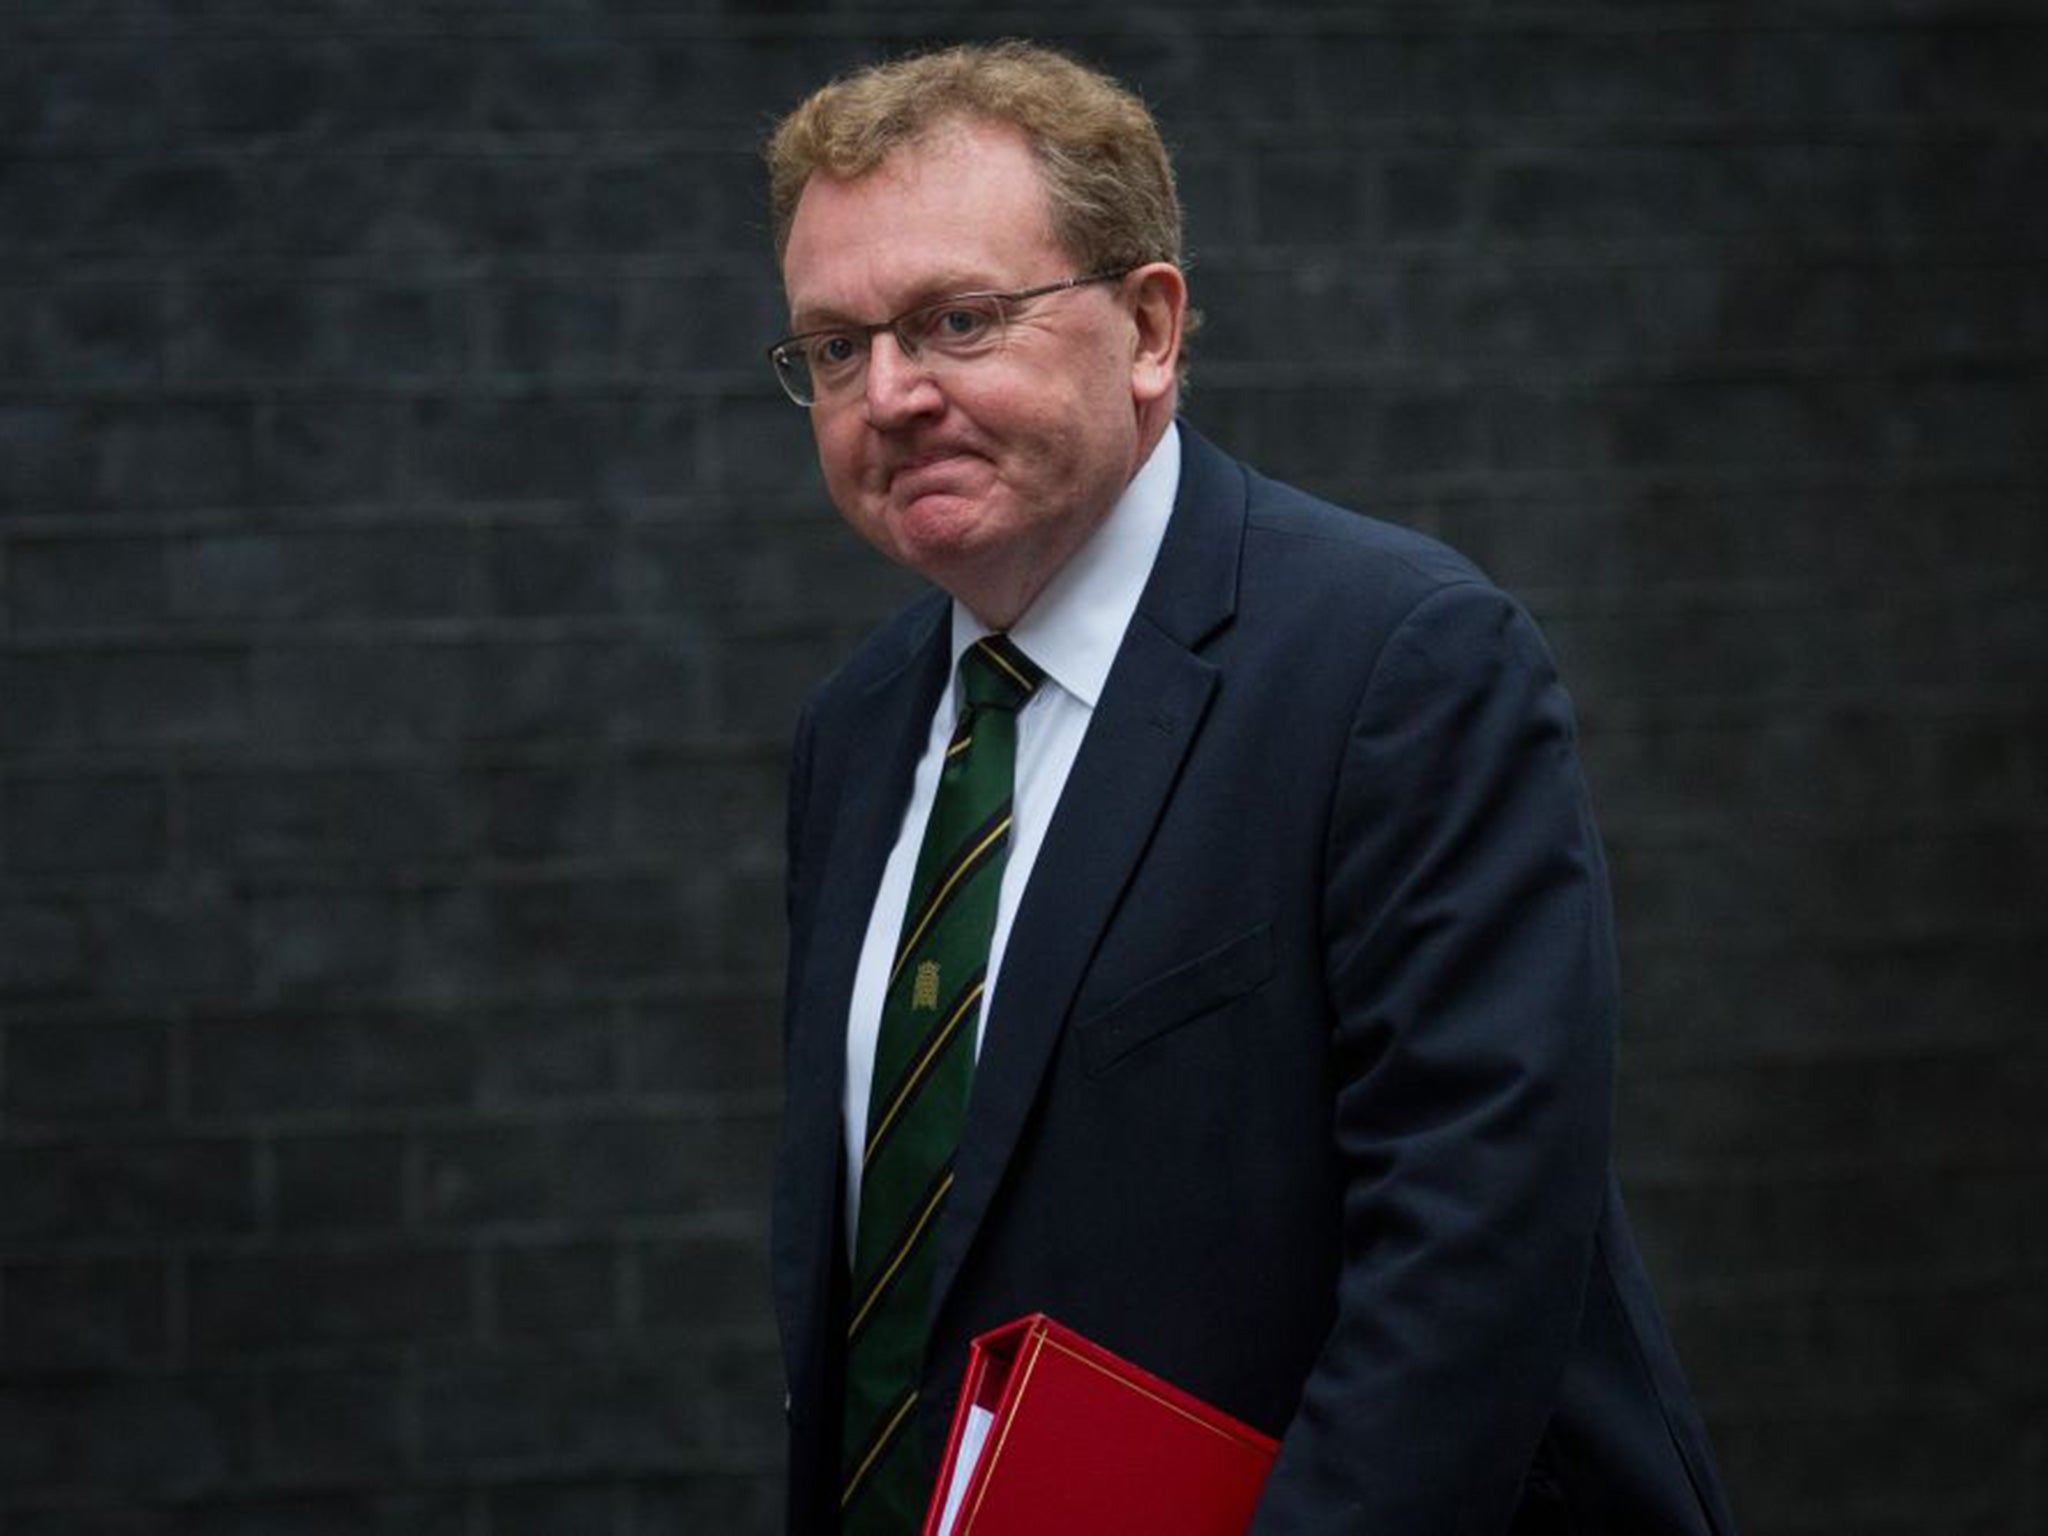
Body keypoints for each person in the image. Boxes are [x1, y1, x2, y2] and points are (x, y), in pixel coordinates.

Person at [763, 40, 1738, 1536]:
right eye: (837, 347)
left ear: (1150, 326)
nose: (890, 393)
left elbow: (1469, 1261)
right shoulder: (860, 731)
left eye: (958, 320)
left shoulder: (1397, 665)